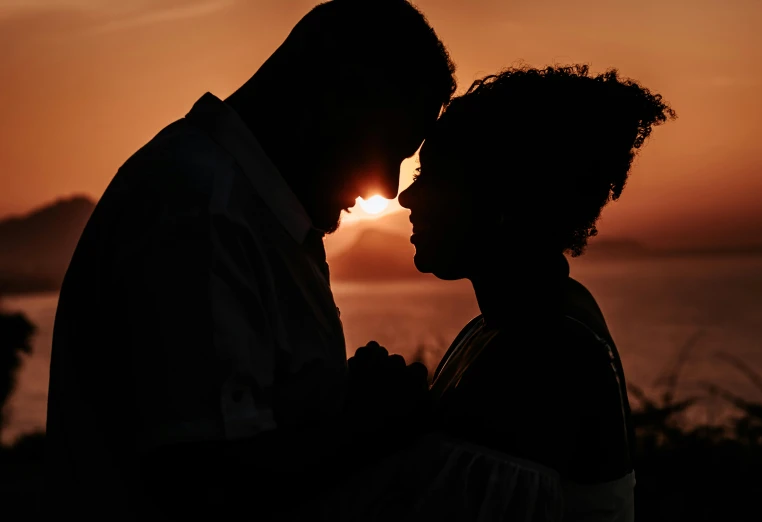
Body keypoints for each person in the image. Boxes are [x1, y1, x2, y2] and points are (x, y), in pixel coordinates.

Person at [44, 1, 456, 520]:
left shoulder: (254, 212)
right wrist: (370, 425)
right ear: (330, 99)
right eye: (387, 148)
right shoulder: (201, 213)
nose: (388, 187)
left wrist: (334, 401)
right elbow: (201, 485)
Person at [392, 65, 676, 521]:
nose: (407, 197)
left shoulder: (546, 347)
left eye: (433, 176)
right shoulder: (511, 323)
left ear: (501, 201)